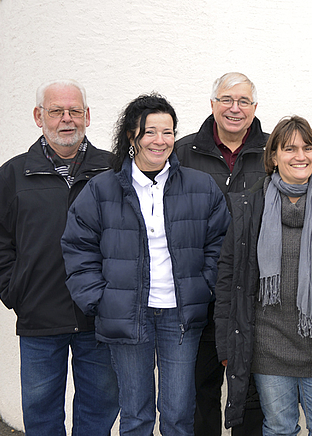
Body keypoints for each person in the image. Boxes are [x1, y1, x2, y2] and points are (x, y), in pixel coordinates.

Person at [61, 93, 230, 436]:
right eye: (150, 132)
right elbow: (78, 248)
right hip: (126, 314)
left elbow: (221, 245)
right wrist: (99, 298)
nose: (160, 141)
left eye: (167, 132)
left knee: (179, 414)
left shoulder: (201, 187)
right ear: (131, 137)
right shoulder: (101, 189)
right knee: (136, 414)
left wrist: (205, 285)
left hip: (181, 317)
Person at [215, 115, 312, 435]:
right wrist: (227, 344)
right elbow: (228, 277)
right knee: (278, 428)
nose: (300, 156)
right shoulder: (250, 205)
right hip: (268, 349)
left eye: (307, 148)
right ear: (273, 156)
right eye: (289, 149)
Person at [0, 79, 119, 435]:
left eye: (75, 111)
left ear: (88, 116)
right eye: (56, 111)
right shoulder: (11, 175)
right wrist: (12, 287)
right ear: (39, 117)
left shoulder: (113, 171)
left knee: (99, 409)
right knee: (40, 414)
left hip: (100, 318)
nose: (67, 119)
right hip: (39, 316)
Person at [175, 71, 267, 436]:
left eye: (244, 101)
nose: (235, 108)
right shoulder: (182, 153)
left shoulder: (272, 150)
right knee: (200, 389)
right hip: (200, 294)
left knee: (252, 393)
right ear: (212, 104)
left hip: (255, 295)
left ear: (255, 107)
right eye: (227, 100)